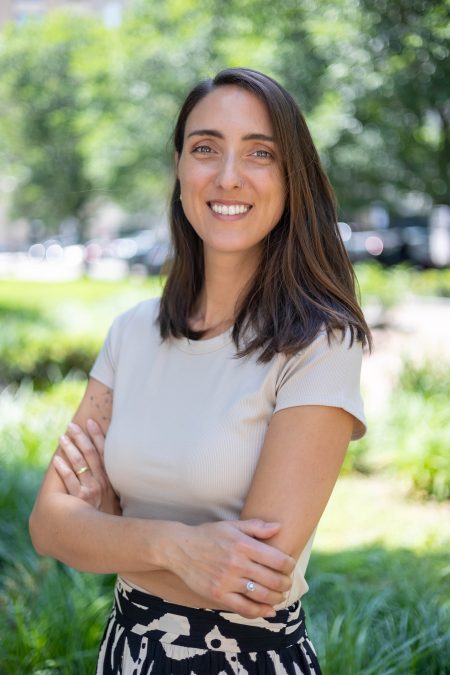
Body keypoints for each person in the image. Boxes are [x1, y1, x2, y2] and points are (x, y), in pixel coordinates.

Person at [29, 67, 371, 674]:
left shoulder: (320, 344)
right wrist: (178, 546)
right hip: (125, 654)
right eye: (205, 148)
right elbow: (49, 527)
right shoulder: (132, 333)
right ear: (181, 170)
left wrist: (108, 528)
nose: (228, 176)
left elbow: (250, 584)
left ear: (293, 178)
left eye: (260, 153)